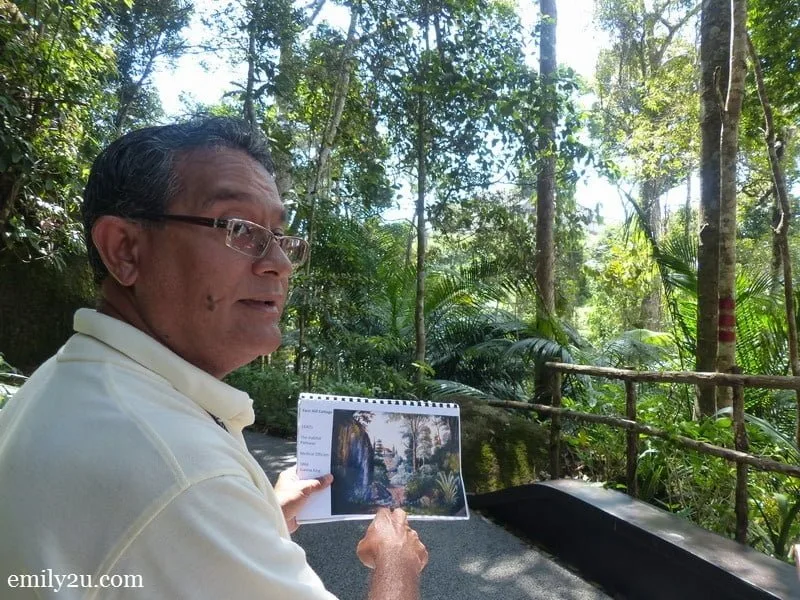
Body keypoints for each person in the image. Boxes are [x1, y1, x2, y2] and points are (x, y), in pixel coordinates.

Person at [0, 118, 428, 599]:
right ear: (125, 250)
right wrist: (397, 562)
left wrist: (259, 513)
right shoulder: (184, 473)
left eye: (280, 237)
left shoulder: (75, 381)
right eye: (239, 228)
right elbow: (172, 496)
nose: (279, 264)